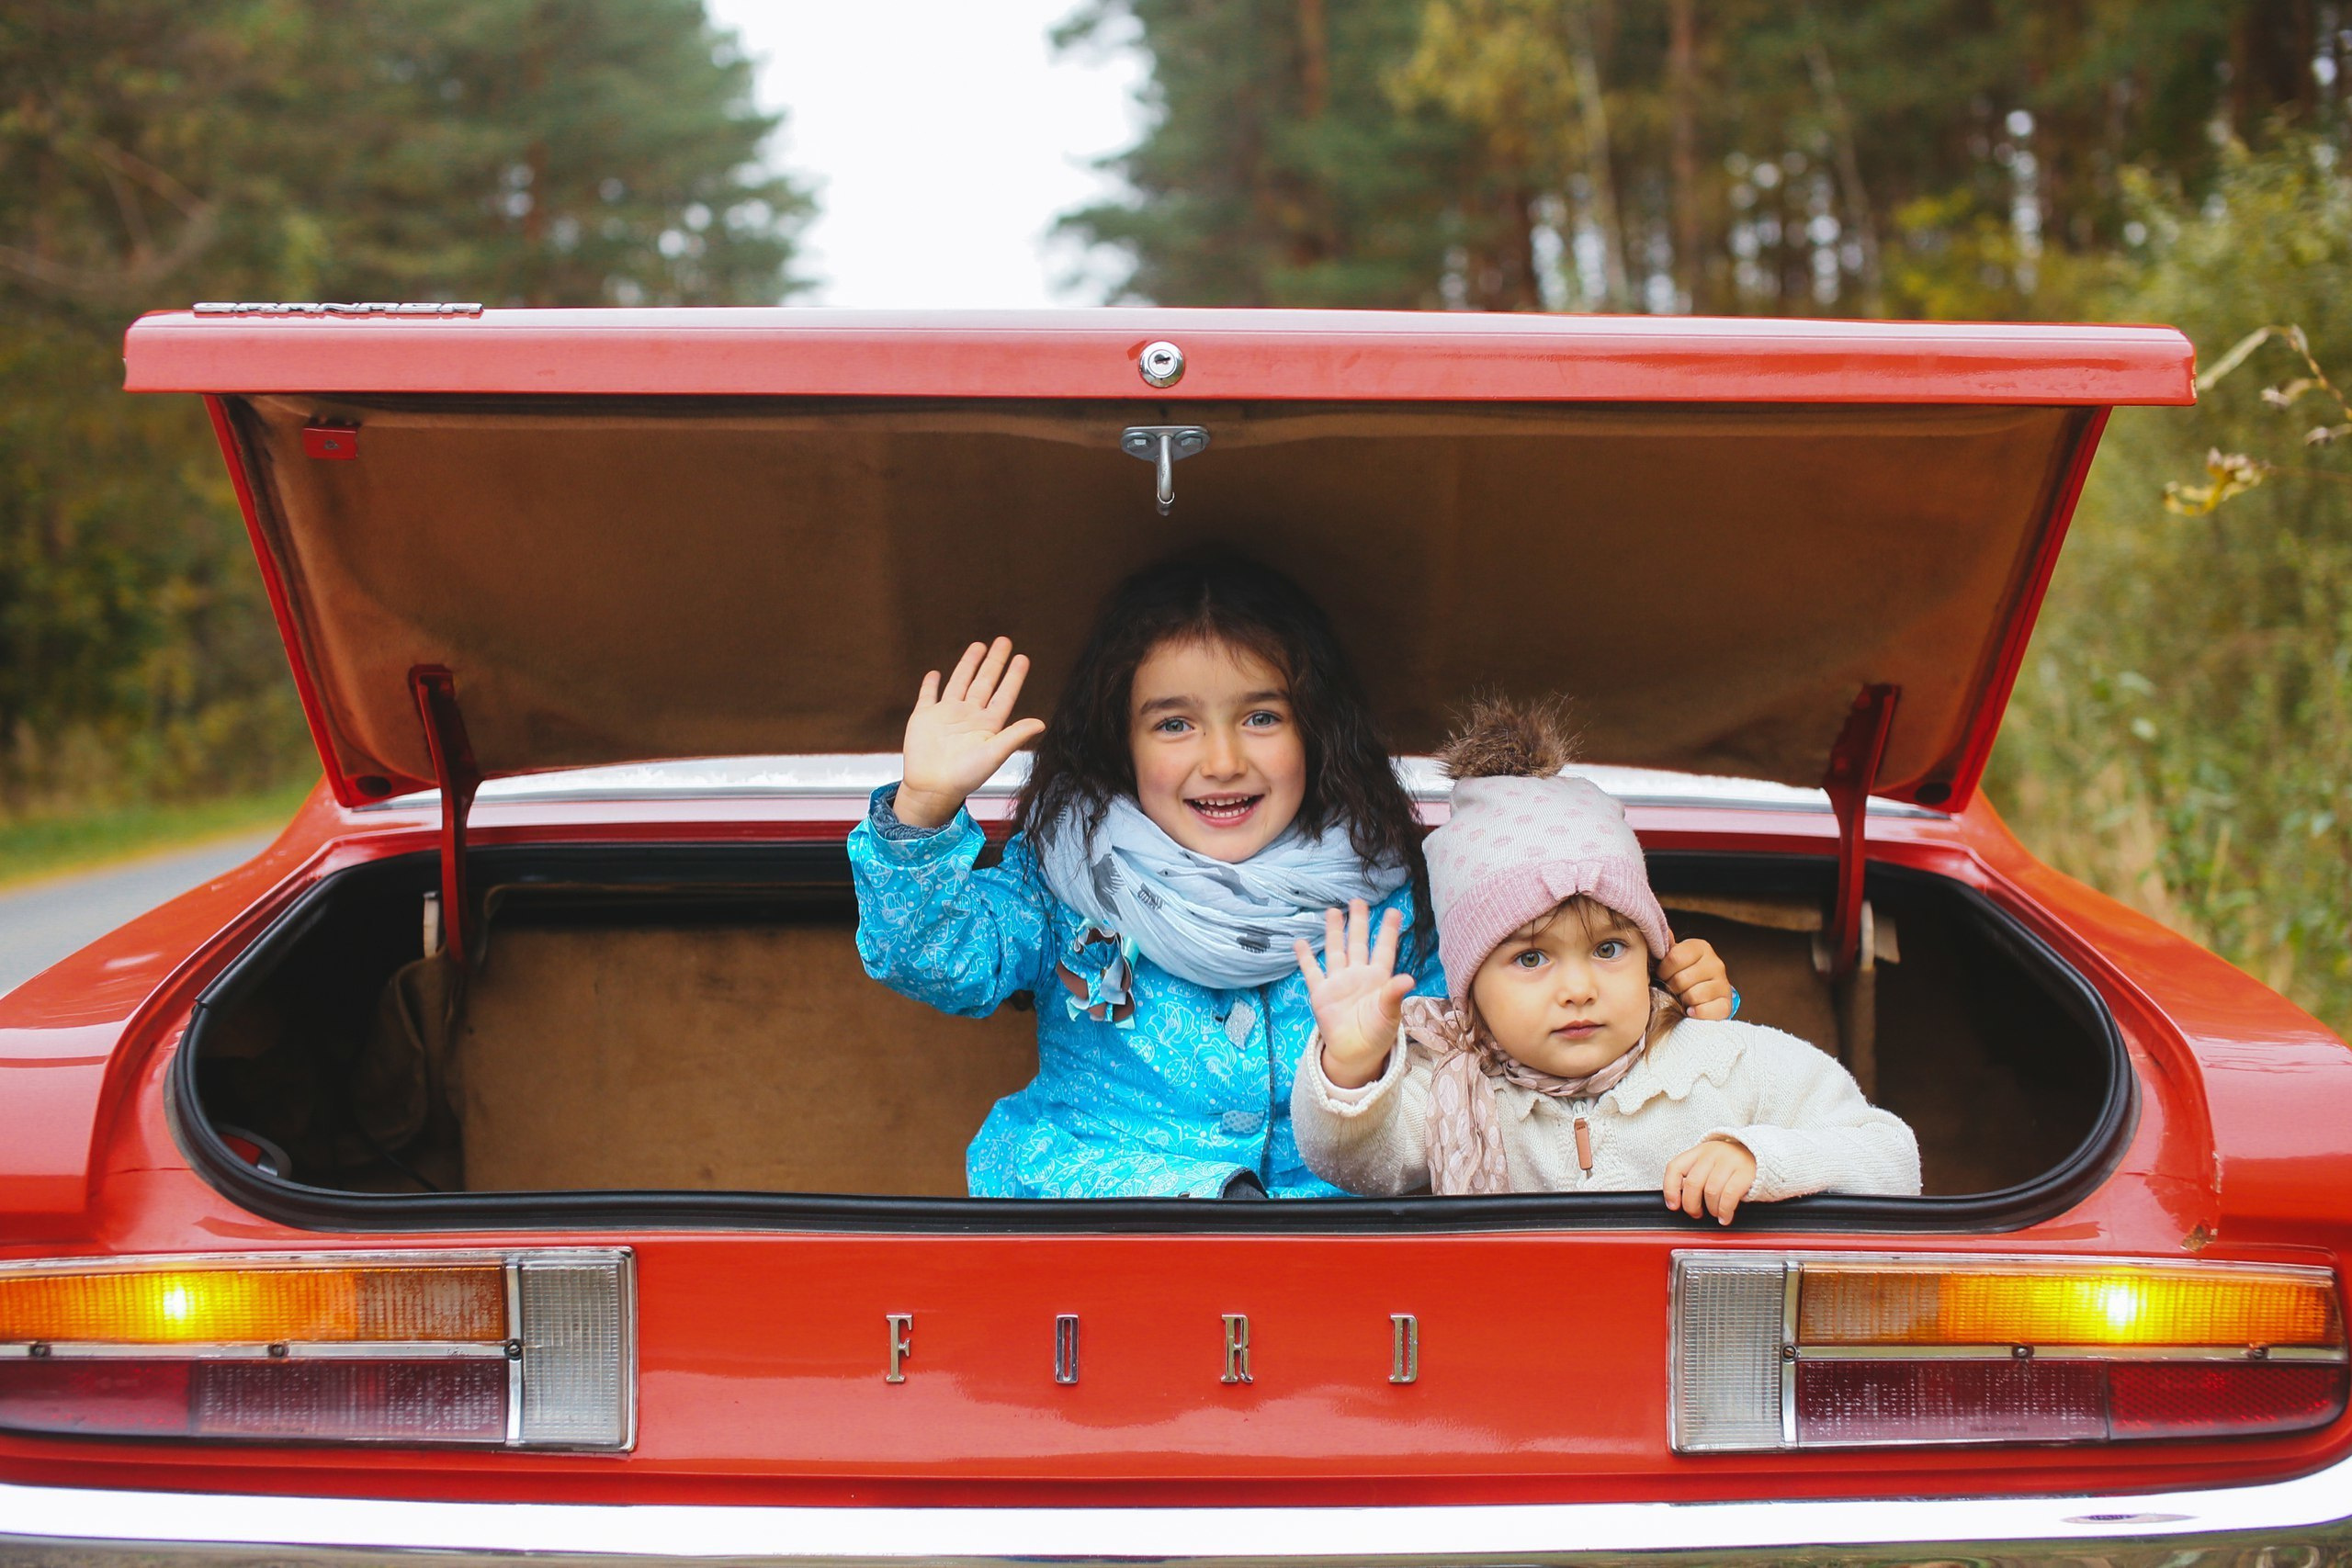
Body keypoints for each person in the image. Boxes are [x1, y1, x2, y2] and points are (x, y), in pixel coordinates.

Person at [848, 556, 1736, 1200]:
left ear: (1315, 730)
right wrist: (923, 809)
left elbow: (1525, 1043)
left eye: (1261, 716)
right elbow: (937, 958)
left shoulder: (1403, 886)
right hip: (1099, 1247)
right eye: (1173, 724)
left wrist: (1672, 1008)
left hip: (1352, 1260)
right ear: (1120, 741)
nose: (1223, 759)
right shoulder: (1065, 877)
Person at [1291, 696, 1919, 1217]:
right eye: (1531, 959)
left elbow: (1891, 1158)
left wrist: (1760, 1158)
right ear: (1469, 988)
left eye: (1610, 948)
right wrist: (1351, 1068)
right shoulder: (1451, 1089)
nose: (1578, 988)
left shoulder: (1730, 1064)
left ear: (1652, 952)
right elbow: (1353, 1161)